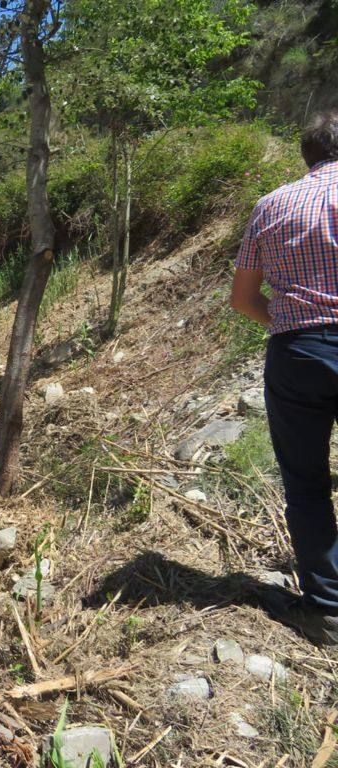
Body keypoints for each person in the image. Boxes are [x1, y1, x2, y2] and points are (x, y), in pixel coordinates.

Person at [231, 109, 338, 646]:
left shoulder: (272, 205)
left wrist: (294, 324)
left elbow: (243, 299)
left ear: (307, 154)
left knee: (307, 482)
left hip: (297, 352)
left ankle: (326, 610)